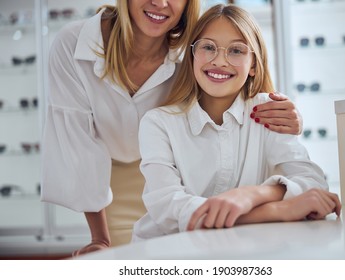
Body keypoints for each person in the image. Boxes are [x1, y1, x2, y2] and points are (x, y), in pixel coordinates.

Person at [41, 0, 302, 256]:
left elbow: (243, 87)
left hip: (174, 171)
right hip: (110, 176)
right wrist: (99, 238)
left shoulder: (194, 47)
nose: (159, 2)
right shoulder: (75, 45)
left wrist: (291, 117)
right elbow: (79, 142)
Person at [133, 4, 341, 241]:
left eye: (236, 51)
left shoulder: (268, 111)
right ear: (192, 56)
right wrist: (276, 210)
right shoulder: (158, 123)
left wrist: (253, 195)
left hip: (240, 250)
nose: (220, 61)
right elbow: (169, 210)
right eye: (208, 47)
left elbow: (314, 184)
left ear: (253, 64)